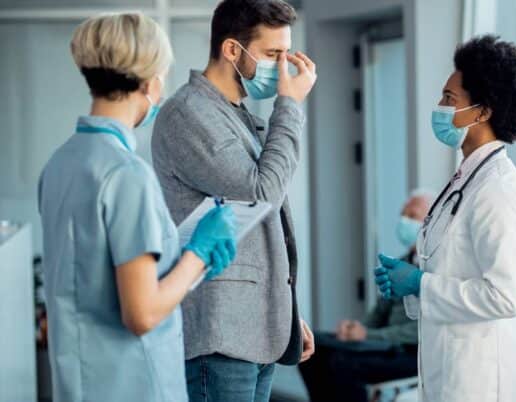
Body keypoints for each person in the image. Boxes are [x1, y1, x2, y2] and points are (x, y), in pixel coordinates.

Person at [38, 13, 237, 402]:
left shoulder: (59, 164)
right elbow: (141, 314)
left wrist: (185, 259)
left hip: (78, 384)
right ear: (151, 82)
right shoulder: (127, 175)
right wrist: (198, 253)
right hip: (134, 385)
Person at [151, 1, 317, 400]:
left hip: (255, 330)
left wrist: (288, 315)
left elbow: (261, 228)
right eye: (272, 55)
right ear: (231, 50)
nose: (282, 70)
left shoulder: (234, 113)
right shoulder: (189, 113)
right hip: (218, 336)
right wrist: (289, 106)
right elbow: (262, 193)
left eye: (285, 54)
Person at [374, 35, 516, 402]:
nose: (439, 107)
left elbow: (503, 297)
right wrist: (408, 285)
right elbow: (451, 268)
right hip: (452, 368)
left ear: (483, 111)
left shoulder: (498, 188)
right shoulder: (466, 179)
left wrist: (420, 283)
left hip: (484, 377)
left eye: (450, 99)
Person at [299, 192, 432, 402]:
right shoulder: (400, 264)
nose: (404, 220)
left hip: (411, 352)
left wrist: (367, 336)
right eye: (402, 214)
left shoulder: (433, 270)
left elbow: (420, 330)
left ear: (429, 221)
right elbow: (380, 312)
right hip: (384, 345)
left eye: (412, 215)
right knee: (311, 347)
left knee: (342, 363)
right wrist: (355, 329)